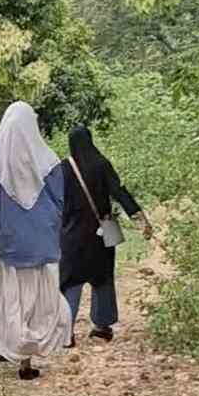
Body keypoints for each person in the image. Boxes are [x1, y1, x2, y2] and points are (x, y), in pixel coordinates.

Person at [0, 101, 72, 380]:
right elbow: (60, 204)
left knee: (12, 302)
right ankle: (26, 361)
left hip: (11, 246)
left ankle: (12, 350)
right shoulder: (50, 163)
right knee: (40, 302)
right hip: (43, 243)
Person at [59, 124, 152, 345]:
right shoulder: (101, 164)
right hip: (101, 233)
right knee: (102, 278)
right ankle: (102, 326)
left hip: (71, 235)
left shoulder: (63, 168)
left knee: (70, 281)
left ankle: (65, 332)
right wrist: (141, 220)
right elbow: (120, 192)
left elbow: (55, 201)